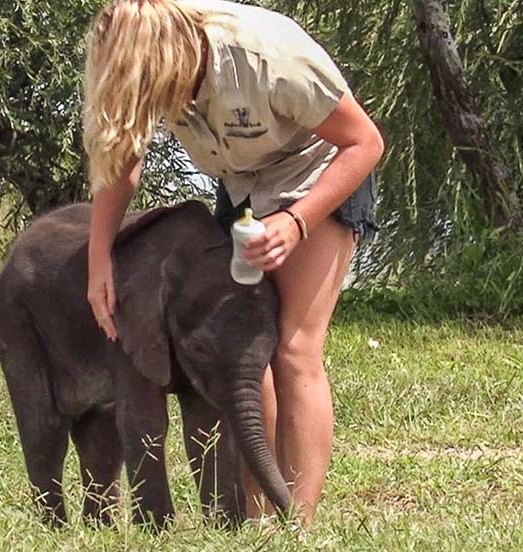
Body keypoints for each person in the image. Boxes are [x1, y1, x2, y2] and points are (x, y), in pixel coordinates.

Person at [83, 0, 384, 524]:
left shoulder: (268, 57)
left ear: (172, 56)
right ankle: (257, 517)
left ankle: (301, 526)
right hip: (244, 183)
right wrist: (98, 258)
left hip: (318, 175)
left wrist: (296, 223)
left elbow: (364, 143)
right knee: (246, 349)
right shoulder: (147, 62)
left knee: (292, 347)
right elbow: (123, 158)